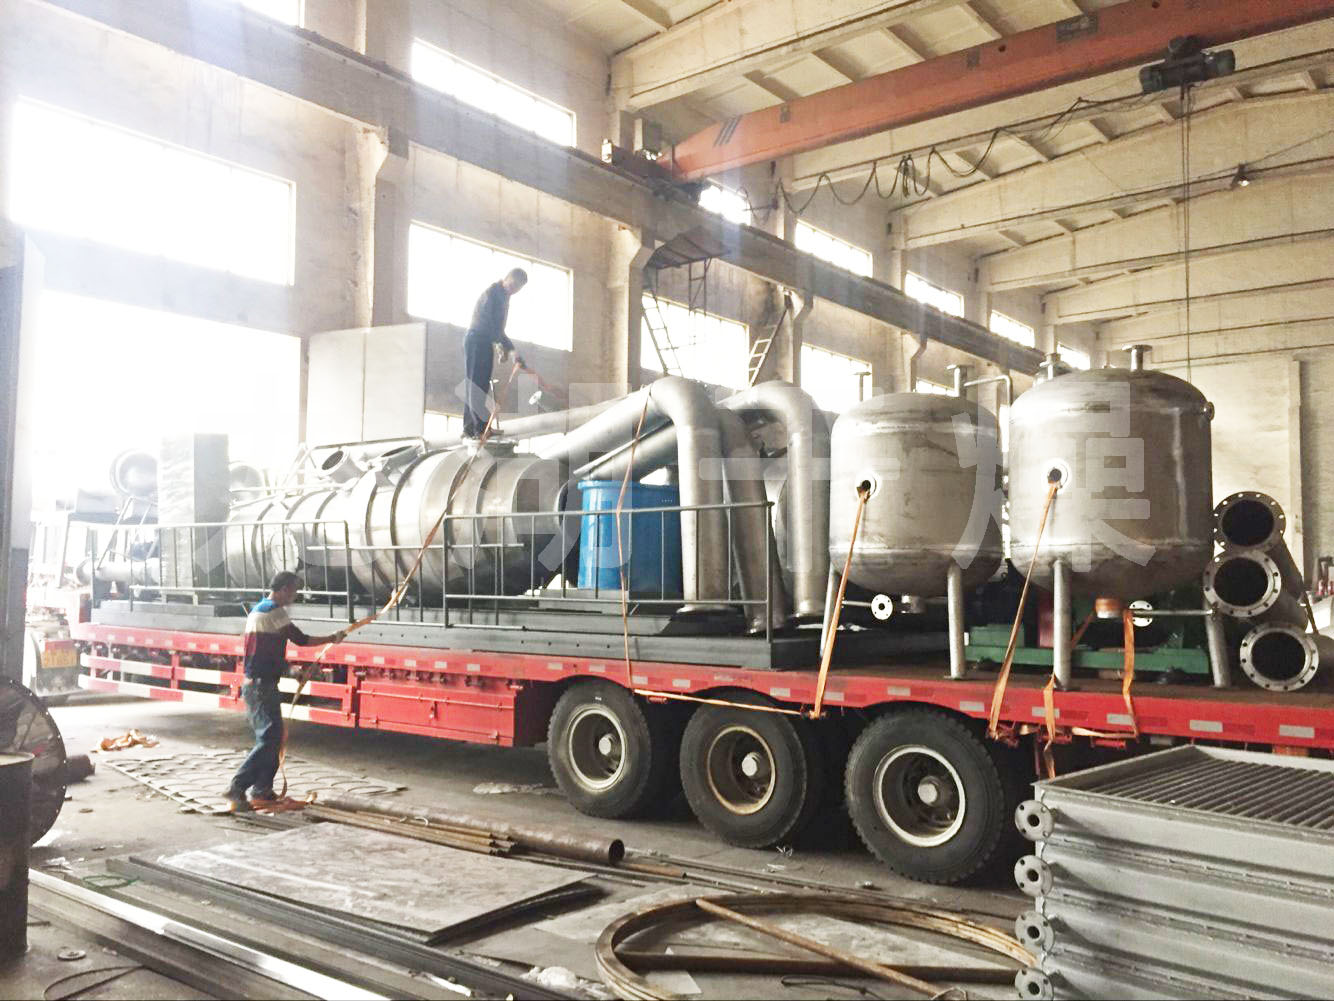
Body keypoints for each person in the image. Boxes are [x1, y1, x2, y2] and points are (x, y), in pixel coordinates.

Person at [223, 571, 347, 811]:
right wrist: (333, 637)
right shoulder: (273, 610)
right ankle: (237, 787)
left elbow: (266, 653)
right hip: (260, 686)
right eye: (293, 591)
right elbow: (301, 639)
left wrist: (291, 670)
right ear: (283, 589)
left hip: (260, 684)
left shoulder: (260, 610)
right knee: (269, 738)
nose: (294, 596)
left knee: (273, 737)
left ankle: (262, 790)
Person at [462, 268, 527, 438]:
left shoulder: (503, 297)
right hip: (477, 340)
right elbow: (491, 326)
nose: (514, 289)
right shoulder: (493, 294)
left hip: (484, 341)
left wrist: (508, 349)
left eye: (517, 288)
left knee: (479, 384)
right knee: (477, 384)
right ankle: (478, 429)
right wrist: (509, 349)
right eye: (513, 284)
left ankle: (471, 428)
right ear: (506, 279)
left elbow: (497, 330)